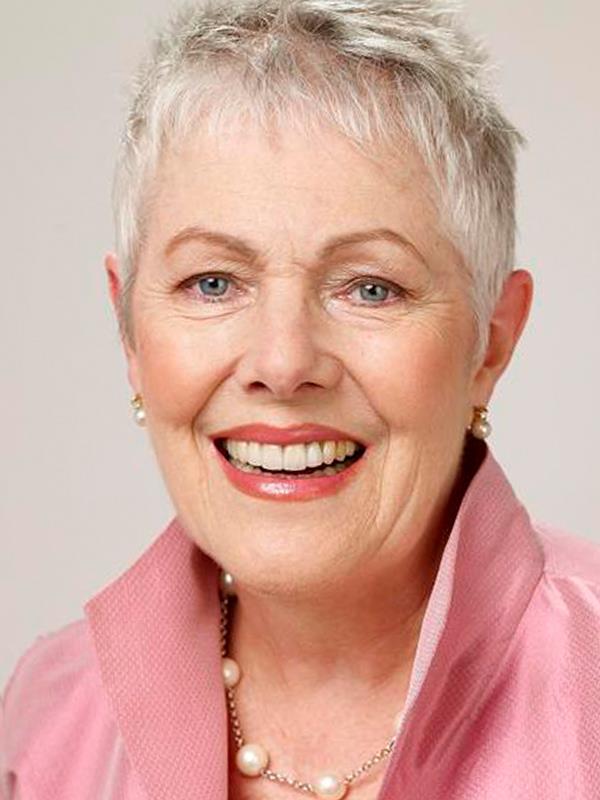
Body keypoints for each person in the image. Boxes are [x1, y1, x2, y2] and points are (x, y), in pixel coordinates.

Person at [1, 0, 599, 798]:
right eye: (213, 283)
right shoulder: (45, 720)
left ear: (491, 342)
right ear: (129, 332)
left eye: (371, 287)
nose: (283, 364)